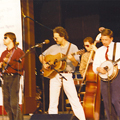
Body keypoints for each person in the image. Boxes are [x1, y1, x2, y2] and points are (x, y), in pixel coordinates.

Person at [39, 26, 86, 120]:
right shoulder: (53, 47)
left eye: (56, 37)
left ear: (63, 36)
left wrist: (72, 59)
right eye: (54, 37)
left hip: (67, 75)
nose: (54, 39)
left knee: (74, 100)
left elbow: (76, 63)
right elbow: (41, 56)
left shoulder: (73, 47)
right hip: (54, 75)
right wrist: (44, 63)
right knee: (53, 101)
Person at [93, 28, 120, 120]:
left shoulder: (118, 46)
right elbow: (95, 65)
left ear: (111, 39)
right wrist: (98, 69)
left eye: (106, 40)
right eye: (102, 40)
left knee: (116, 100)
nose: (103, 42)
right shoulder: (99, 50)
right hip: (104, 78)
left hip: (117, 75)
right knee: (107, 102)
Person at [0, 32, 25, 120]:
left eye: (5, 37)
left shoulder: (18, 52)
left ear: (11, 39)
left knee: (14, 103)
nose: (3, 39)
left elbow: (21, 67)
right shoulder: (3, 53)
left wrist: (8, 61)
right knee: (7, 104)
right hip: (5, 78)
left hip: (14, 77)